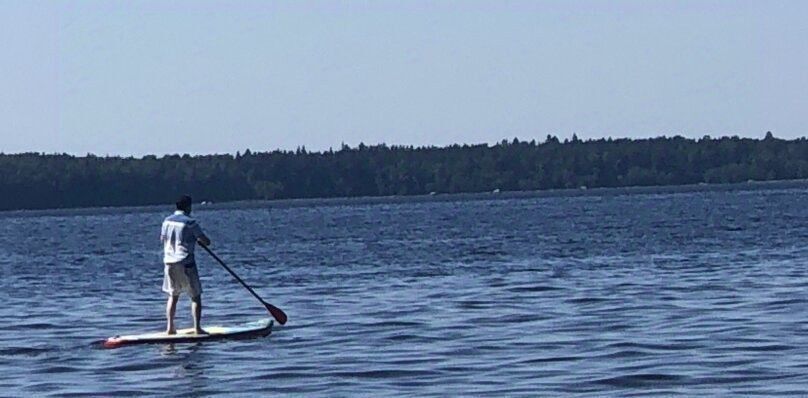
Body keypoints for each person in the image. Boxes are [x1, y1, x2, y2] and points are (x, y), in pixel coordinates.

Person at [160, 195, 211, 335]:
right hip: (186, 262)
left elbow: (162, 239)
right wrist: (200, 241)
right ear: (188, 207)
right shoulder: (190, 222)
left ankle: (170, 328)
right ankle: (197, 328)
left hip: (169, 262)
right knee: (195, 296)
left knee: (173, 295)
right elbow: (206, 241)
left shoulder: (166, 221)